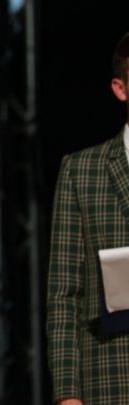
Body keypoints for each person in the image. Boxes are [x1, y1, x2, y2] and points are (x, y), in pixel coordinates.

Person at [47, 33, 129, 404]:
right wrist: (68, 394)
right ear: (120, 89)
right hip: (113, 376)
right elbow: (64, 293)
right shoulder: (82, 171)